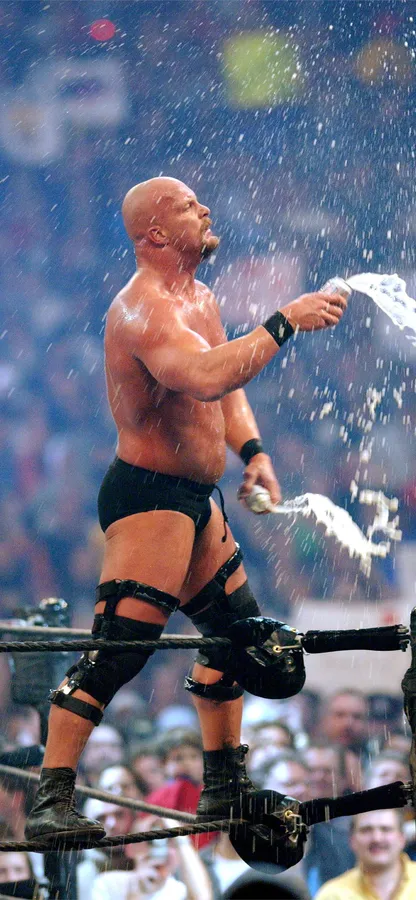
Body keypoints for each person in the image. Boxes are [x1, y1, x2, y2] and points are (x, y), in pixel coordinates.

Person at [25, 175, 347, 842]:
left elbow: (225, 389)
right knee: (121, 651)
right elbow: (204, 376)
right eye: (185, 205)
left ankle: (223, 785)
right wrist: (285, 320)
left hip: (196, 498)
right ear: (155, 233)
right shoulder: (142, 309)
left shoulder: (199, 297)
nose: (203, 209)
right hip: (148, 496)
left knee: (237, 637)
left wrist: (253, 449)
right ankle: (50, 800)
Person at [91, 814, 213, 900]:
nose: (158, 849)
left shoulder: (178, 890)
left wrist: (180, 838)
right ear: (131, 849)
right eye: (150, 840)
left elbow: (203, 897)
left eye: (167, 841)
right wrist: (137, 893)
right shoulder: (109, 883)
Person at [315, 809, 416, 899]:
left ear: (402, 838)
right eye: (367, 830)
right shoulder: (333, 895)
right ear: (352, 840)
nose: (377, 838)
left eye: (386, 829)